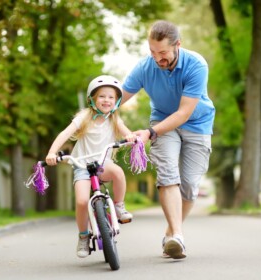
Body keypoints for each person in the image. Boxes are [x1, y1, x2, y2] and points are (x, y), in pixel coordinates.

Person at [121, 20, 215, 259]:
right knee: (168, 176)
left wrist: (149, 134)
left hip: (197, 123)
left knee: (190, 186)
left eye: (162, 53)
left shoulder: (196, 65)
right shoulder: (145, 67)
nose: (157, 58)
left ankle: (172, 233)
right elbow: (119, 97)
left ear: (178, 45)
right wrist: (96, 108)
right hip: (163, 123)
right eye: (152, 52)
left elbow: (184, 113)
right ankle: (177, 237)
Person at [45, 75, 136, 258]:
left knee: (118, 172)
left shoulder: (114, 119)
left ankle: (119, 206)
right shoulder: (84, 117)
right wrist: (52, 152)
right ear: (93, 99)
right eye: (102, 96)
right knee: (81, 201)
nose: (106, 100)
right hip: (82, 165)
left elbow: (128, 134)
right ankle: (83, 236)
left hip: (103, 164)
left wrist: (132, 138)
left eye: (111, 97)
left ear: (117, 101)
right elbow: (65, 134)